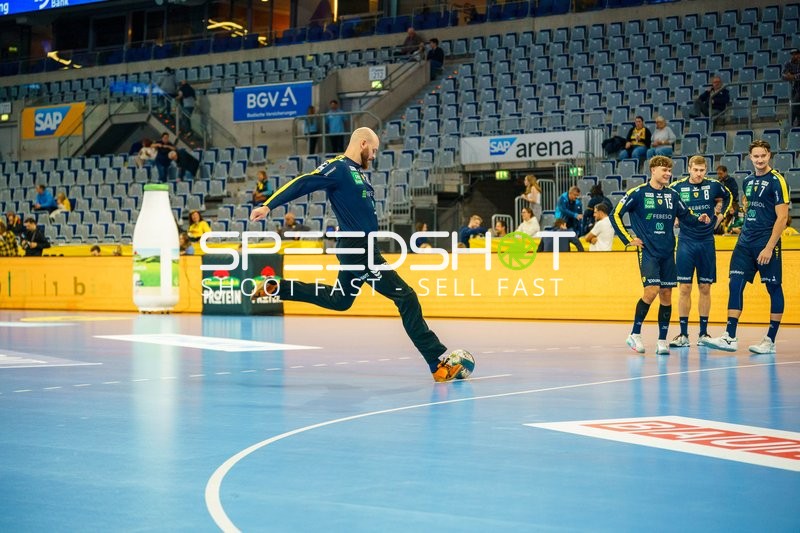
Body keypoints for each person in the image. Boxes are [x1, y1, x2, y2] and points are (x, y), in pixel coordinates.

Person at [249, 127, 469, 382]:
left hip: (363, 248)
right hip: (357, 249)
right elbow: (304, 183)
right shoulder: (339, 168)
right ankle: (437, 361)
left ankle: (276, 287)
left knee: (340, 300)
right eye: (373, 150)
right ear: (363, 144)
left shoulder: (359, 175)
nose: (374, 155)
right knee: (406, 297)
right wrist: (268, 205)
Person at [609, 155, 711, 355]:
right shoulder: (637, 193)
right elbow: (615, 214)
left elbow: (686, 217)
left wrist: (700, 219)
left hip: (667, 252)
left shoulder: (672, 195)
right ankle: (635, 334)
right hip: (648, 252)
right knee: (652, 290)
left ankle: (662, 340)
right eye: (664, 170)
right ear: (653, 170)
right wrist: (628, 238)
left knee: (666, 294)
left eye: (669, 170)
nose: (668, 174)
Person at [704, 140, 790, 354]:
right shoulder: (748, 181)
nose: (759, 160)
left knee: (773, 288)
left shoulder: (777, 181)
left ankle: (769, 340)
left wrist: (769, 247)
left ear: (769, 155)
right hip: (744, 243)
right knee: (735, 284)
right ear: (750, 157)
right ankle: (730, 337)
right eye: (756, 156)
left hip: (766, 243)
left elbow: (782, 217)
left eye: (763, 156)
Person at [667, 155, 732, 347]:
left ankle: (703, 334)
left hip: (706, 242)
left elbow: (728, 197)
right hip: (686, 242)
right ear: (689, 168)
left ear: (706, 169)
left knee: (705, 287)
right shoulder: (677, 187)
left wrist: (718, 217)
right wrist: (674, 218)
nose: (698, 174)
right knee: (684, 288)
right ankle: (683, 334)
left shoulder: (714, 186)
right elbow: (668, 204)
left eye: (702, 170)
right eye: (695, 170)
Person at [782, 48, 800, 127]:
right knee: (795, 106)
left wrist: (792, 76)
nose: (794, 56)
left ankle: (790, 125)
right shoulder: (788, 63)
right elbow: (783, 75)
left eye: (795, 54)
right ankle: (796, 125)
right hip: (794, 88)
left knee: (794, 105)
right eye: (792, 54)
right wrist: (793, 77)